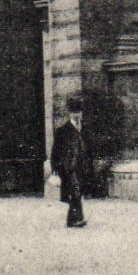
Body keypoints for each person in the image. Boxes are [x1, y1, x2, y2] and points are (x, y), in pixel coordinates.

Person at [50, 96, 91, 228]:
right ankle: (77, 219)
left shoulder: (85, 129)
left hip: (81, 166)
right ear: (69, 113)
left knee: (76, 193)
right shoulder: (62, 131)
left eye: (78, 112)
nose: (77, 114)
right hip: (68, 167)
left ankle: (72, 220)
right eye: (74, 112)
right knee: (75, 191)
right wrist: (55, 169)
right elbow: (55, 151)